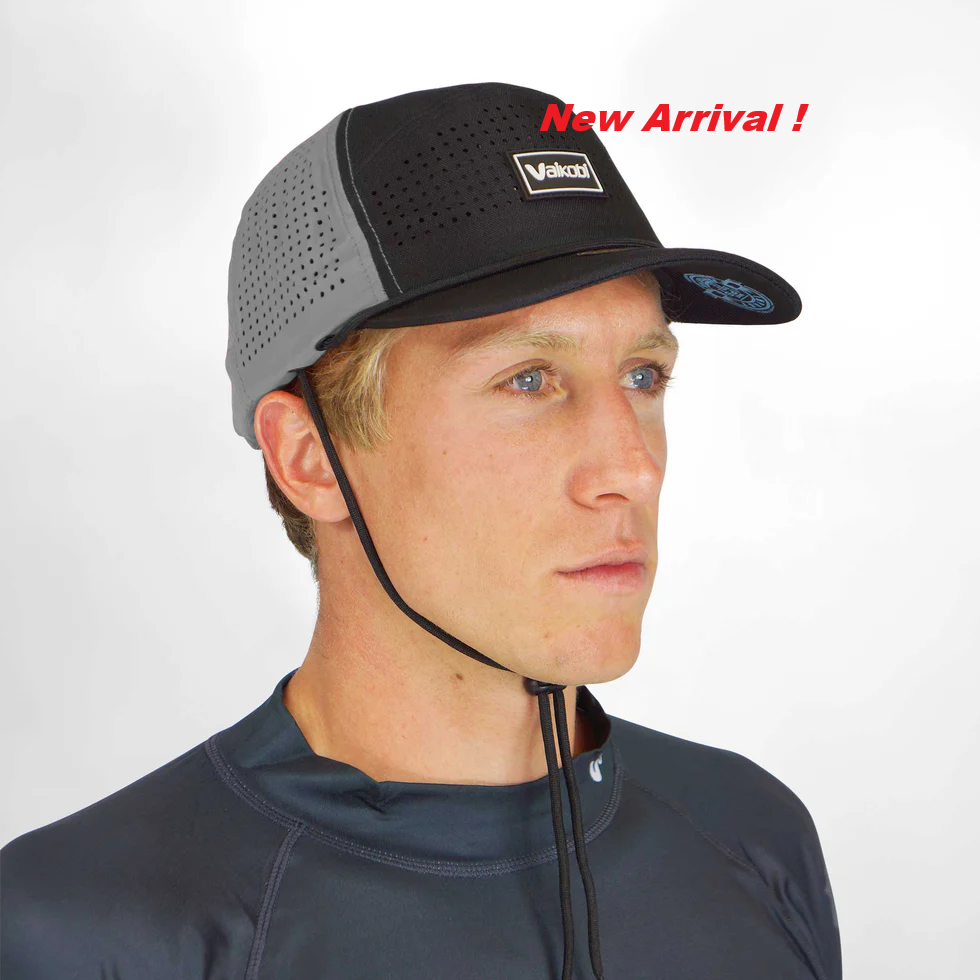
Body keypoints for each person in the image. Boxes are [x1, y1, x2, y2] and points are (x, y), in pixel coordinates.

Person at [1, 81, 842, 980]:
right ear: (311, 459)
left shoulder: (752, 832)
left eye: (643, 375)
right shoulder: (82, 928)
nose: (633, 469)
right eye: (529, 380)